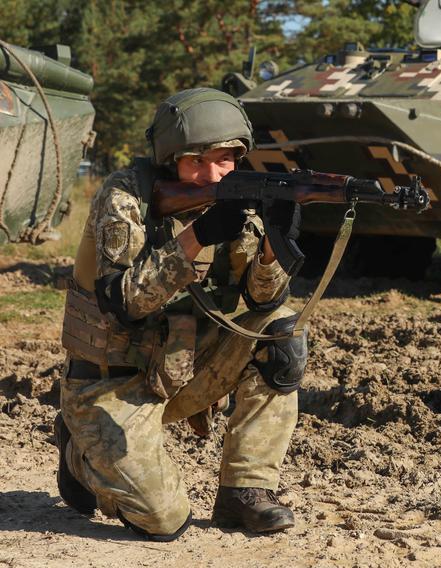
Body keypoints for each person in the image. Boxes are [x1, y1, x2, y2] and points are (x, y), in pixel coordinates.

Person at [55, 88, 308, 540]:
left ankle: (244, 490)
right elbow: (124, 302)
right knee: (164, 520)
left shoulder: (237, 196)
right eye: (197, 161)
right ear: (171, 157)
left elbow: (261, 300)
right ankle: (79, 455)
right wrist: (198, 236)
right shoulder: (126, 196)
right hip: (108, 383)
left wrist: (273, 246)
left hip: (180, 371)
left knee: (280, 333)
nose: (212, 174)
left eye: (226, 160)